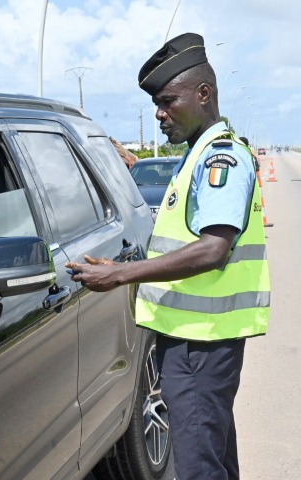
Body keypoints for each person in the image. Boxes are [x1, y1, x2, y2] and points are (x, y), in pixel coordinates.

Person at [65, 32, 270, 480]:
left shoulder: (219, 159)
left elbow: (214, 248)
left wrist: (123, 274)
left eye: (167, 101)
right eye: (156, 104)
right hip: (197, 339)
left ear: (203, 94)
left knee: (198, 467)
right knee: (213, 459)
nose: (159, 114)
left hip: (201, 343)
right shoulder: (198, 155)